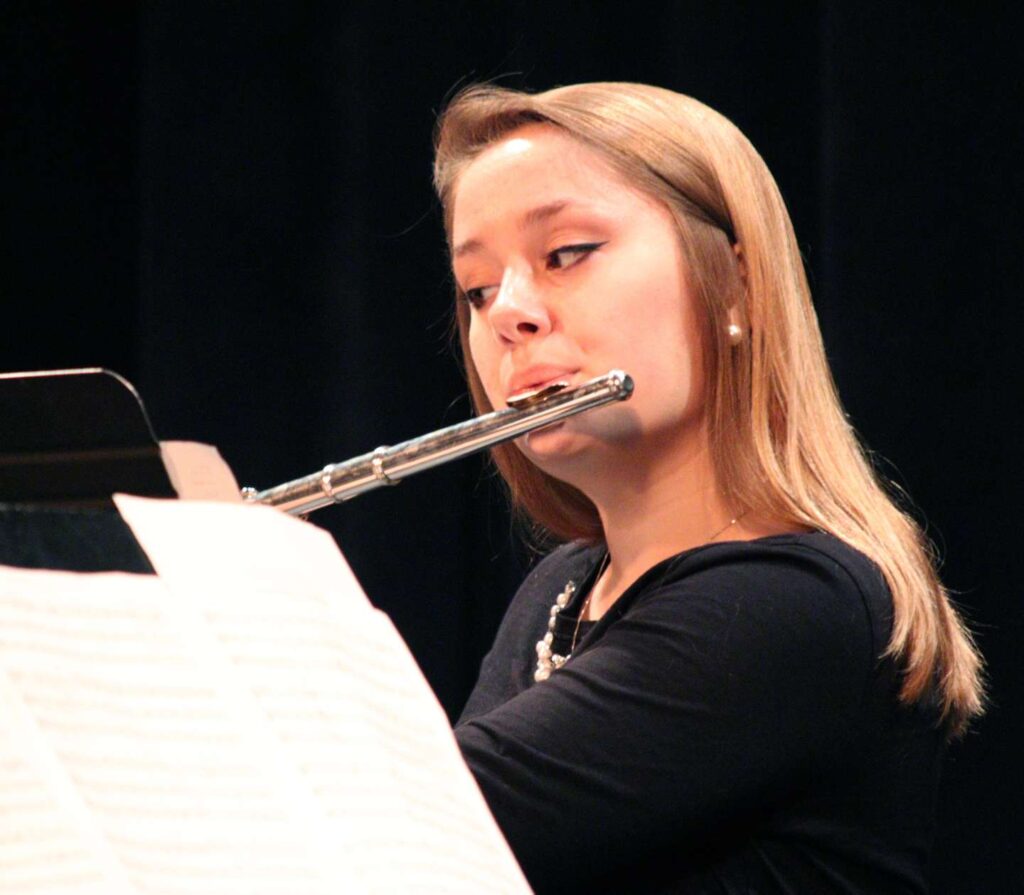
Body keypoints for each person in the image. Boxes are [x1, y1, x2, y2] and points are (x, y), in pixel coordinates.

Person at [432, 83, 984, 894]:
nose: (508, 312)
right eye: (477, 288)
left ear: (734, 287)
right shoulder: (558, 593)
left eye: (566, 253)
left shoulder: (794, 604)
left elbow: (424, 831)